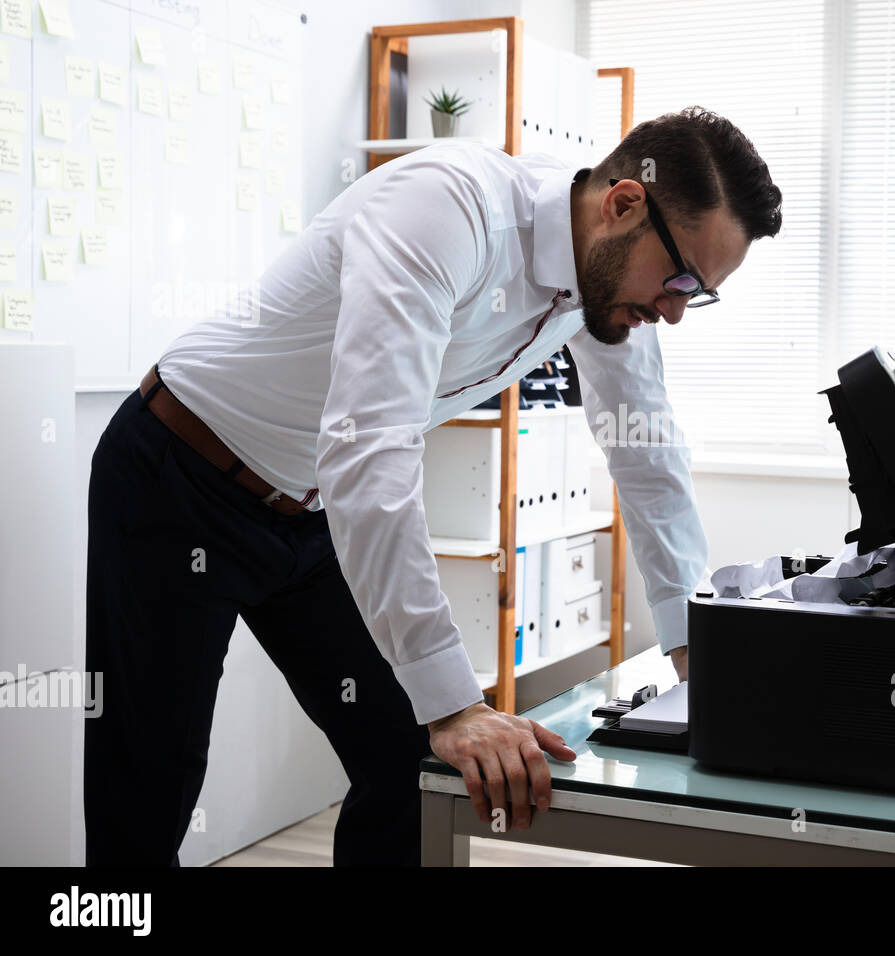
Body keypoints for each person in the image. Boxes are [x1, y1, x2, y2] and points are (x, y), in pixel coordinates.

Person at [84, 105, 783, 865]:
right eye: (681, 278)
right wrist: (455, 704)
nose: (676, 312)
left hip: (317, 510)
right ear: (623, 205)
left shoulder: (606, 285)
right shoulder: (449, 207)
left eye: (699, 294)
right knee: (149, 785)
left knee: (408, 766)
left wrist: (694, 660)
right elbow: (370, 447)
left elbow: (649, 460)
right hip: (180, 476)